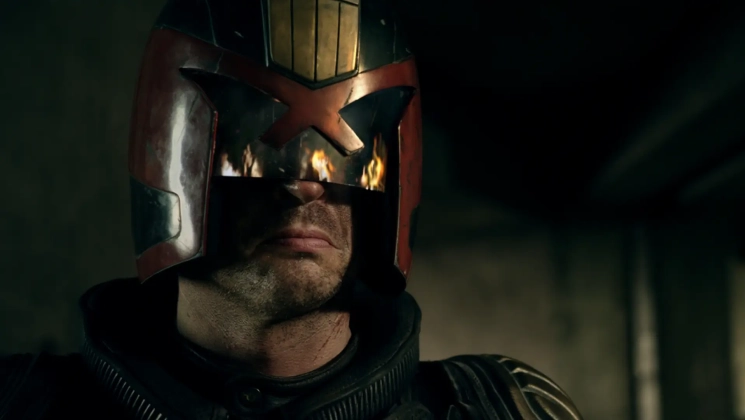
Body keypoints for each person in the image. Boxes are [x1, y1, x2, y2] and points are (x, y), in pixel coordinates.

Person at [0, 0, 583, 418]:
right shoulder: (18, 401)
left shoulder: (504, 407)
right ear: (175, 152)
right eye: (253, 148)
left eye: (349, 154)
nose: (305, 188)